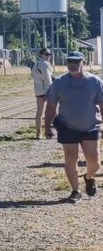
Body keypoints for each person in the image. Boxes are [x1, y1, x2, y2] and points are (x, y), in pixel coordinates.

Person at [44, 51, 103, 203]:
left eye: (76, 62)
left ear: (82, 63)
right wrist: (47, 126)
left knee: (95, 161)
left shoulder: (95, 82)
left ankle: (89, 177)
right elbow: (51, 105)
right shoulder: (59, 82)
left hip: (90, 126)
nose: (72, 64)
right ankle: (75, 191)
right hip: (67, 126)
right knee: (70, 157)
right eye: (69, 61)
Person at [31, 47, 54, 139]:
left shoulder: (36, 64)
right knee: (52, 111)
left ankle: (38, 133)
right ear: (41, 54)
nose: (49, 56)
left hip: (38, 90)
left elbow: (32, 75)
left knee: (39, 112)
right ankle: (48, 131)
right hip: (47, 90)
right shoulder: (46, 64)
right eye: (46, 54)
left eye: (49, 54)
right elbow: (48, 79)